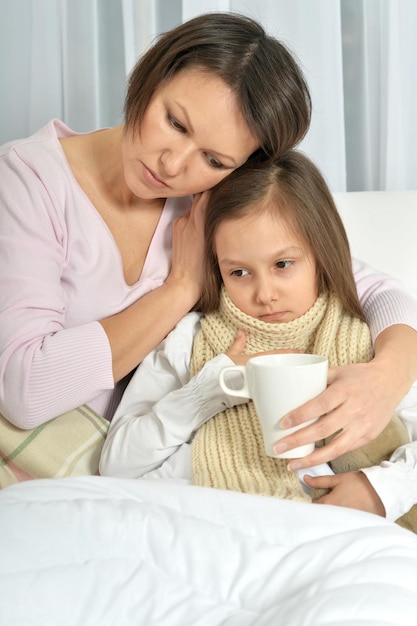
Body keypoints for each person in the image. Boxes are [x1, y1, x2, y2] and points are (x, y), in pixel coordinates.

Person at [1, 13, 417, 469]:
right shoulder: (26, 180)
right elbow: (25, 389)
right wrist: (180, 288)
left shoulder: (210, 197)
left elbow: (369, 286)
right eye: (175, 122)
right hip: (63, 470)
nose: (173, 165)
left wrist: (387, 377)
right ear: (152, 73)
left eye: (215, 159)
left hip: (166, 473)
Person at [100, 151, 417, 529]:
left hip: (329, 531)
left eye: (283, 265)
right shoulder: (191, 338)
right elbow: (116, 463)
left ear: (320, 253)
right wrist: (207, 391)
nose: (264, 293)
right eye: (239, 272)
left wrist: (379, 490)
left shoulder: (369, 342)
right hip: (207, 526)